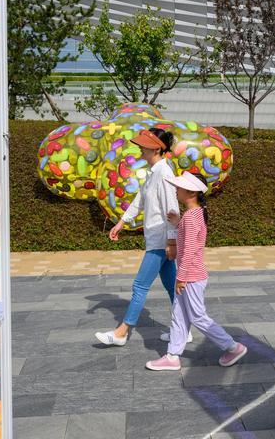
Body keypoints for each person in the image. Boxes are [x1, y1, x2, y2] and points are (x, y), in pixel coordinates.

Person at [95, 127, 189, 346]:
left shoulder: (164, 173)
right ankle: (183, 330)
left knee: (139, 286)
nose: (140, 149)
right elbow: (140, 200)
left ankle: (122, 332)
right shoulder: (153, 171)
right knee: (172, 288)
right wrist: (122, 222)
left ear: (156, 149)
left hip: (160, 241)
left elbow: (172, 209)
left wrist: (172, 241)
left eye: (144, 145)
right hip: (158, 239)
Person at [146, 172, 247, 371]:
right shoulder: (194, 214)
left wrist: (181, 277)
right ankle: (172, 356)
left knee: (197, 316)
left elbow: (191, 249)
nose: (176, 190)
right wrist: (178, 222)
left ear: (191, 192)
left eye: (179, 187)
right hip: (189, 275)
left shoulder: (191, 217)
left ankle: (233, 347)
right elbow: (190, 236)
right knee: (179, 315)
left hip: (191, 276)